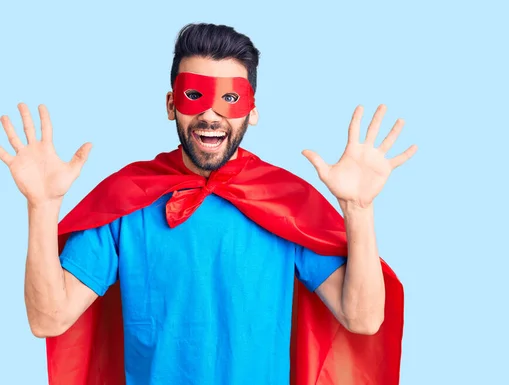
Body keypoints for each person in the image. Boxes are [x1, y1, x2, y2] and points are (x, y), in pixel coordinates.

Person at [0, 23, 417, 385]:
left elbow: (362, 318)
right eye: (195, 95)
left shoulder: (287, 201)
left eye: (231, 99)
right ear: (171, 105)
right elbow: (48, 319)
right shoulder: (125, 199)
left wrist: (359, 211)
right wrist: (41, 206)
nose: (212, 115)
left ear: (252, 110)